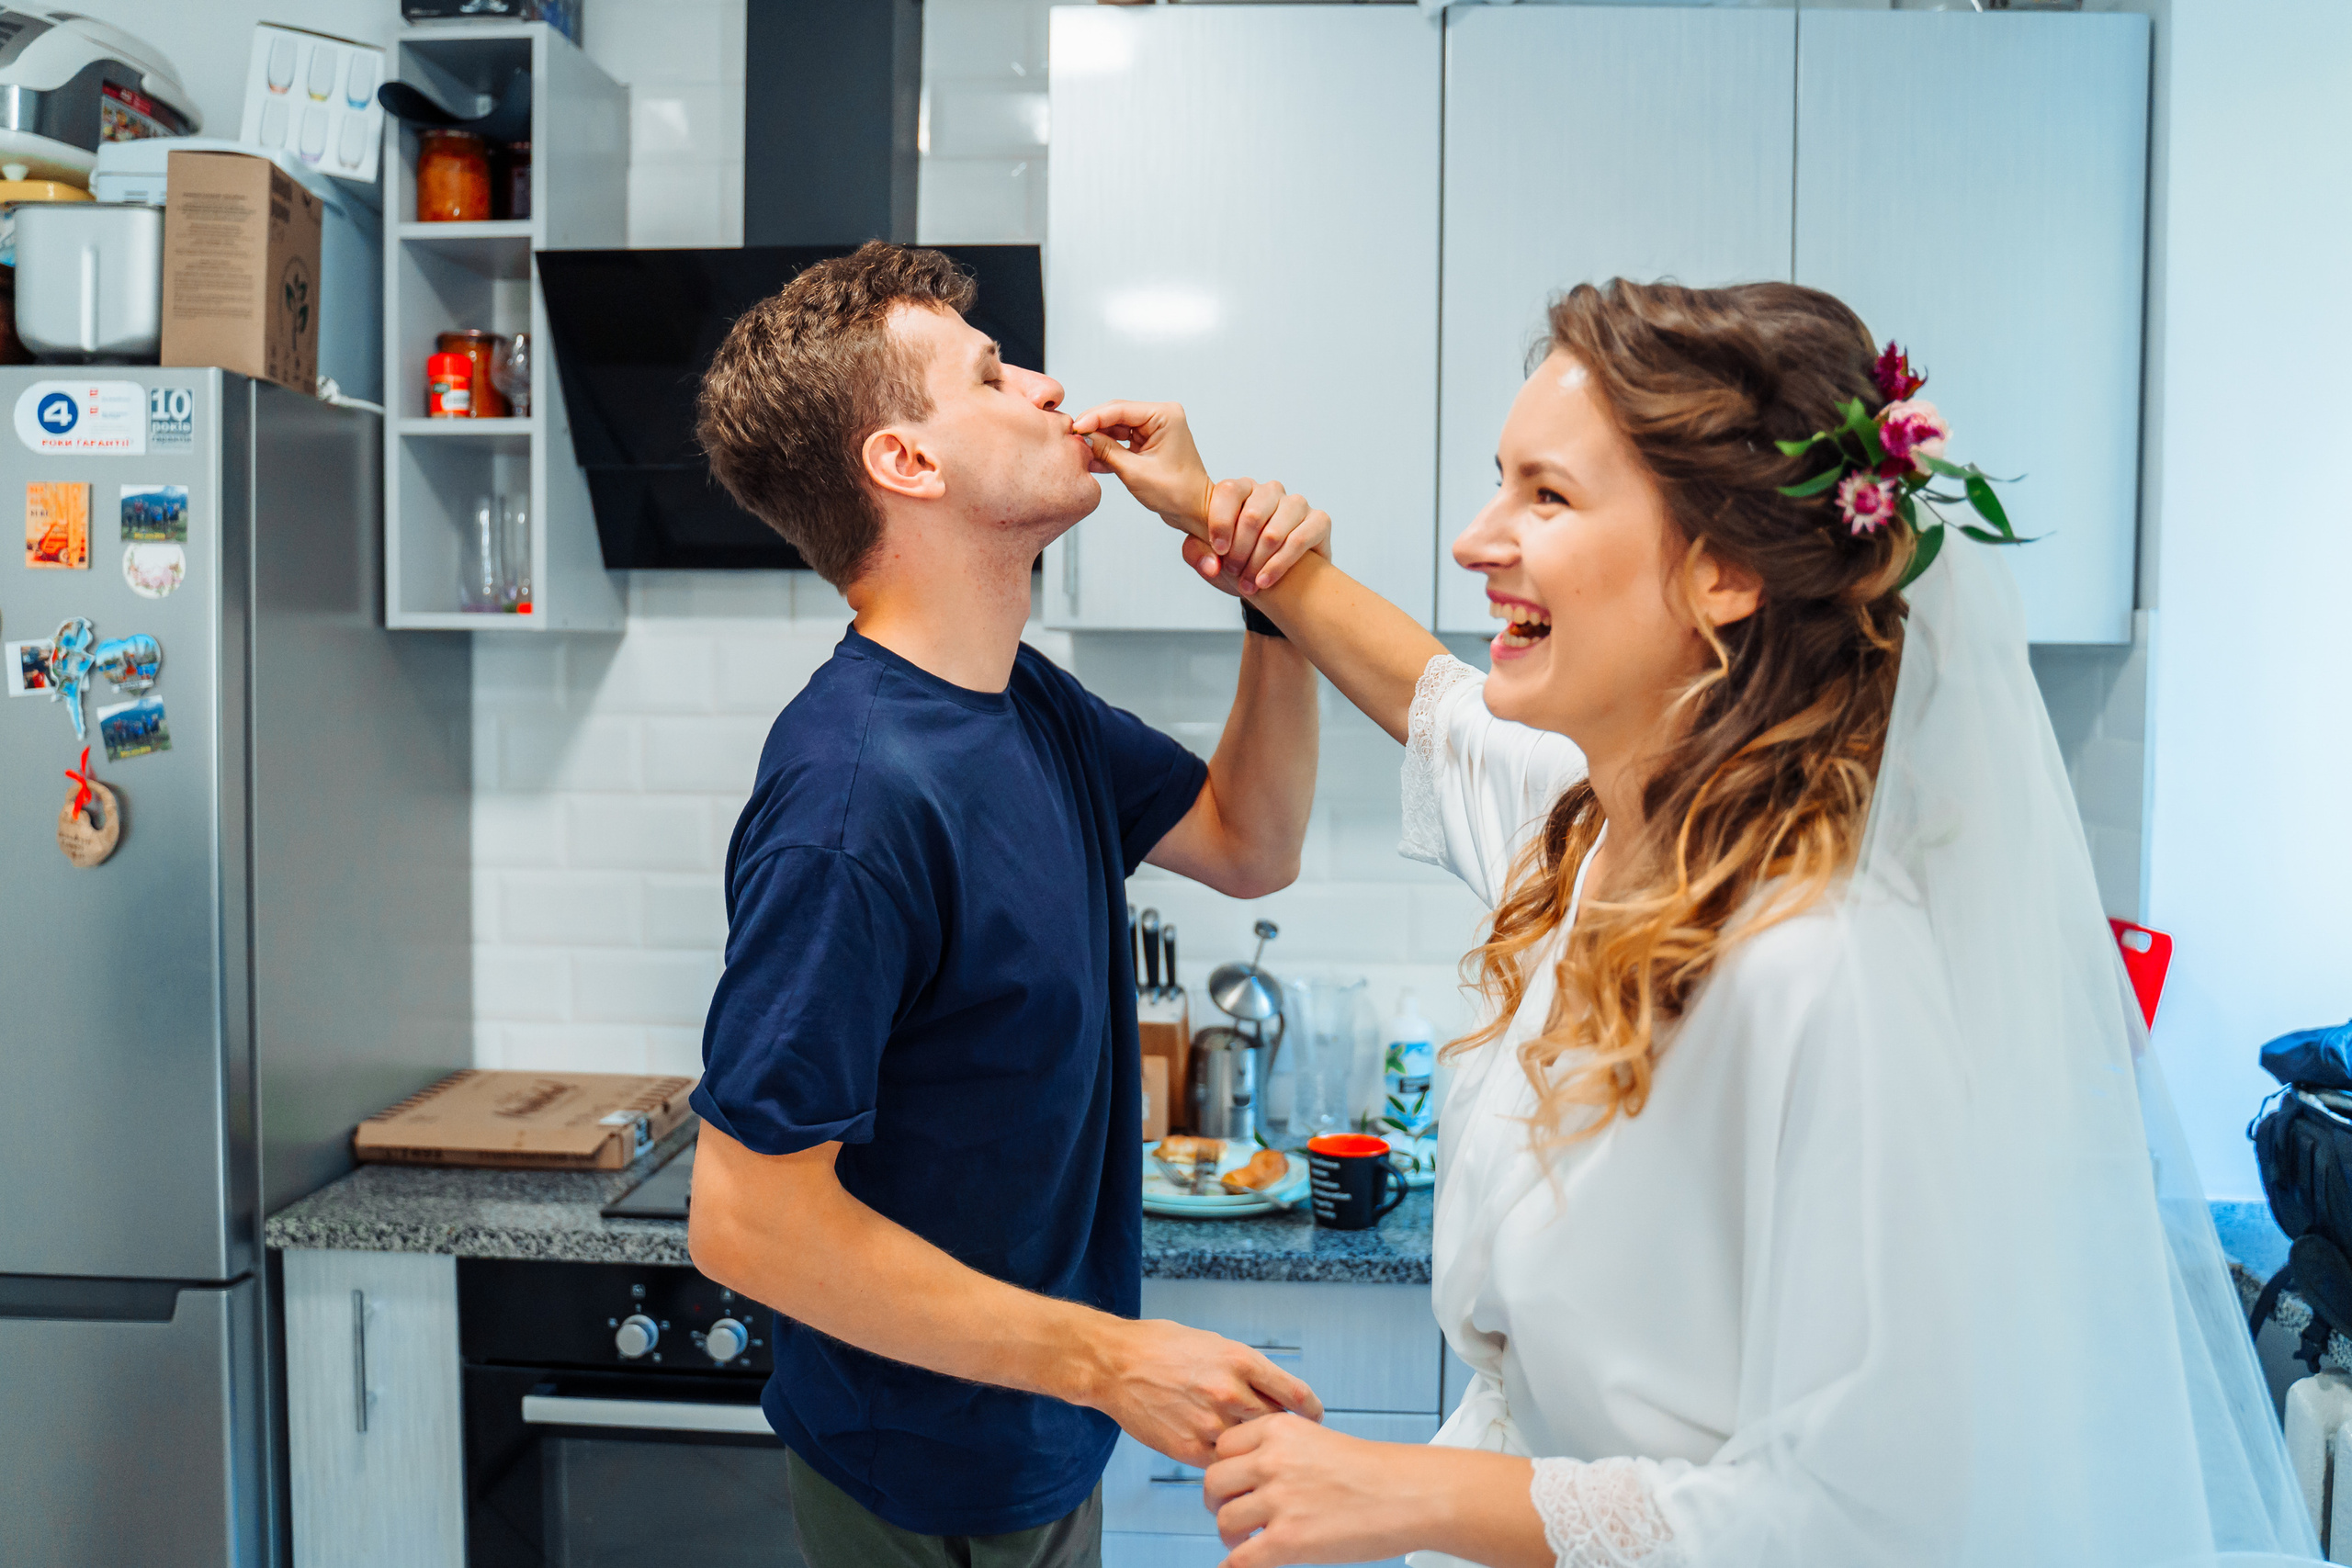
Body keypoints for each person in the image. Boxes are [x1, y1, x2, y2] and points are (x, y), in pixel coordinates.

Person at [1078, 279, 2312, 1568]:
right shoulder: (1595, 833)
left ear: (1724, 572)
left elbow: (1861, 1518)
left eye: (1547, 497)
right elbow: (1434, 701)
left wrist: (1412, 1494)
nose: (1476, 540)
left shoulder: (1825, 968)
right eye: (1500, 483)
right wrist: (1229, 526)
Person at [684, 242, 1336, 1568]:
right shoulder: (853, 801)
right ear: (906, 463)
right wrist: (1110, 1360)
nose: (1046, 389)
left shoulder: (1024, 702)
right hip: (918, 1481)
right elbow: (745, 1221)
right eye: (991, 376)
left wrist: (1272, 603)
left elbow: (1250, 840)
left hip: (1038, 1436)